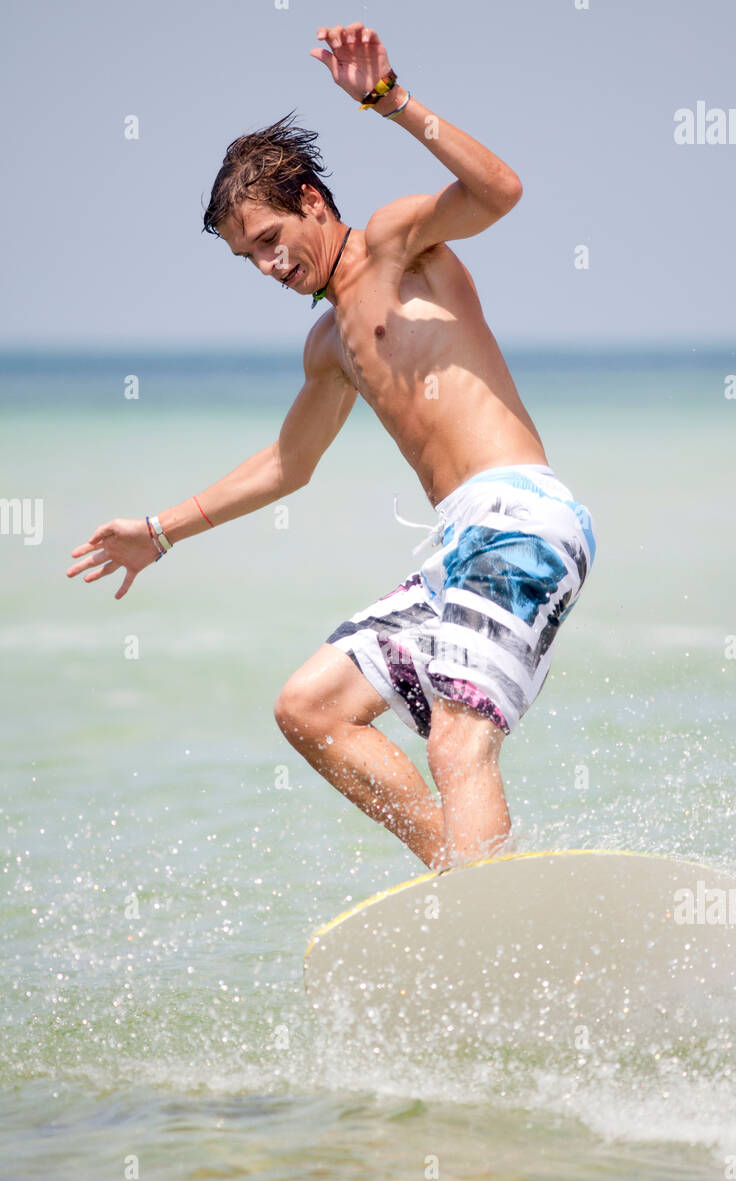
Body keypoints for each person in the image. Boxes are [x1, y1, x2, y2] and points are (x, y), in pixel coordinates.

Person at [67, 21, 596, 872]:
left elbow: (499, 191)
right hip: (459, 544)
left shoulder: (397, 243)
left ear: (312, 200)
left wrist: (391, 102)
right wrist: (158, 533)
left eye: (270, 240)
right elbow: (289, 464)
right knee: (310, 706)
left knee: (457, 745)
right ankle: (465, 880)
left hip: (523, 518)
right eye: (248, 259)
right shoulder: (329, 345)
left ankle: (487, 916)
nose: (268, 267)